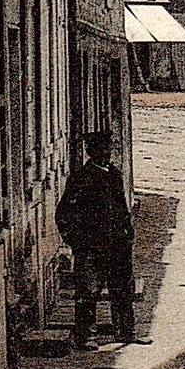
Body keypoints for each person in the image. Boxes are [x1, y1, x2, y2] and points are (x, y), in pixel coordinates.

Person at [56, 131, 148, 349]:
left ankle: (126, 332)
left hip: (118, 245)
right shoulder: (82, 178)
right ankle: (87, 337)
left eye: (108, 149)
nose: (106, 154)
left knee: (123, 291)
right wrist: (77, 243)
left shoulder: (114, 175)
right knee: (88, 293)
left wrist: (128, 232)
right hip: (92, 247)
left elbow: (122, 209)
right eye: (101, 150)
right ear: (92, 152)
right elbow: (63, 214)